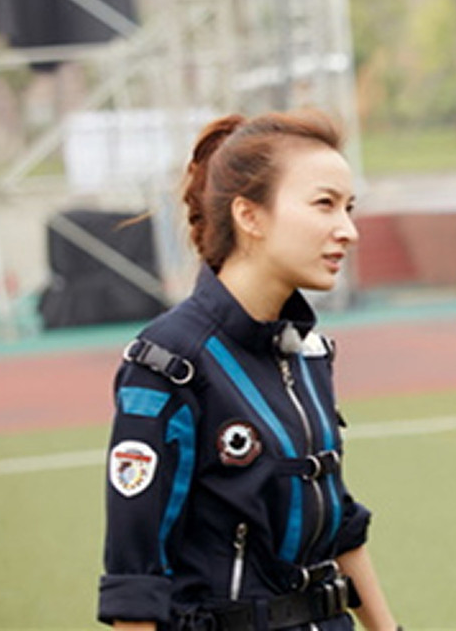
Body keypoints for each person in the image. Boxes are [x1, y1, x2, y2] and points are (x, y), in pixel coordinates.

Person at [98, 110, 400, 630]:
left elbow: (339, 522)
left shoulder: (307, 350)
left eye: (349, 208)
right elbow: (135, 583)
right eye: (324, 204)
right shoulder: (169, 362)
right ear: (250, 216)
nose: (348, 231)